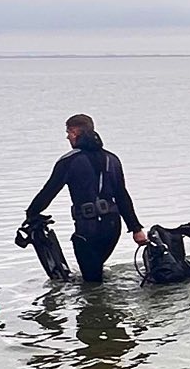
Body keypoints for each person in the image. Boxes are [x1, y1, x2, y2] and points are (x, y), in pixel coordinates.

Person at [24, 114, 147, 284]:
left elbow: (48, 192)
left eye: (68, 132)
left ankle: (93, 307)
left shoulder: (69, 161)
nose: (67, 137)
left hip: (87, 230)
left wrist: (31, 214)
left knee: (91, 284)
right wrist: (136, 229)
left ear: (75, 132)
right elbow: (122, 196)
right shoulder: (112, 159)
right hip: (112, 228)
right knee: (95, 272)